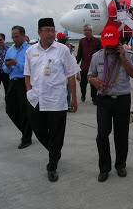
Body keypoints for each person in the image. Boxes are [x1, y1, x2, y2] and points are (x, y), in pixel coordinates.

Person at [24, 18, 80, 182]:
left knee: (57, 133)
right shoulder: (31, 51)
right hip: (36, 98)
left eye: (52, 30)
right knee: (38, 129)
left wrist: (74, 99)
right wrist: (29, 92)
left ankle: (52, 164)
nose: (50, 33)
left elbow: (71, 75)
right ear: (39, 32)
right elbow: (27, 74)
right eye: (47, 30)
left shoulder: (62, 50)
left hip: (56, 100)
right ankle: (54, 151)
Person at [88, 26, 133, 182]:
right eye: (106, 43)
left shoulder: (128, 54)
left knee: (121, 134)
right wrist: (94, 81)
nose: (109, 47)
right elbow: (90, 75)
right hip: (103, 100)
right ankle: (104, 168)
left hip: (122, 99)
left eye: (112, 43)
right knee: (102, 135)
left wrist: (123, 58)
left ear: (118, 41)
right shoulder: (97, 56)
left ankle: (120, 165)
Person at [3, 26, 32, 149]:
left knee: (24, 110)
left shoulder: (30, 50)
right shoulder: (10, 50)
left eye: (17, 36)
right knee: (10, 109)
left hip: (23, 81)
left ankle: (26, 138)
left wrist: (16, 64)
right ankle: (27, 131)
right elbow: (4, 68)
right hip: (12, 82)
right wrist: (8, 66)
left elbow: (30, 67)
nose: (15, 39)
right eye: (13, 37)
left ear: (23, 35)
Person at [76, 24, 101, 104]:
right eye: (85, 30)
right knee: (83, 83)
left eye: (87, 30)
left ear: (91, 31)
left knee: (93, 83)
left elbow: (101, 52)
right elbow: (79, 54)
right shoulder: (82, 41)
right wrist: (75, 64)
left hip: (94, 66)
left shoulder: (97, 41)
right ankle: (83, 95)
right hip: (84, 66)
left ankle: (94, 98)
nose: (86, 32)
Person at [57, 33, 81, 112]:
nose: (68, 45)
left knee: (69, 91)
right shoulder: (57, 52)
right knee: (64, 92)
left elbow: (74, 63)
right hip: (61, 78)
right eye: (67, 44)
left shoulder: (69, 52)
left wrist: (77, 73)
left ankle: (68, 105)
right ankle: (64, 105)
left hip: (69, 76)